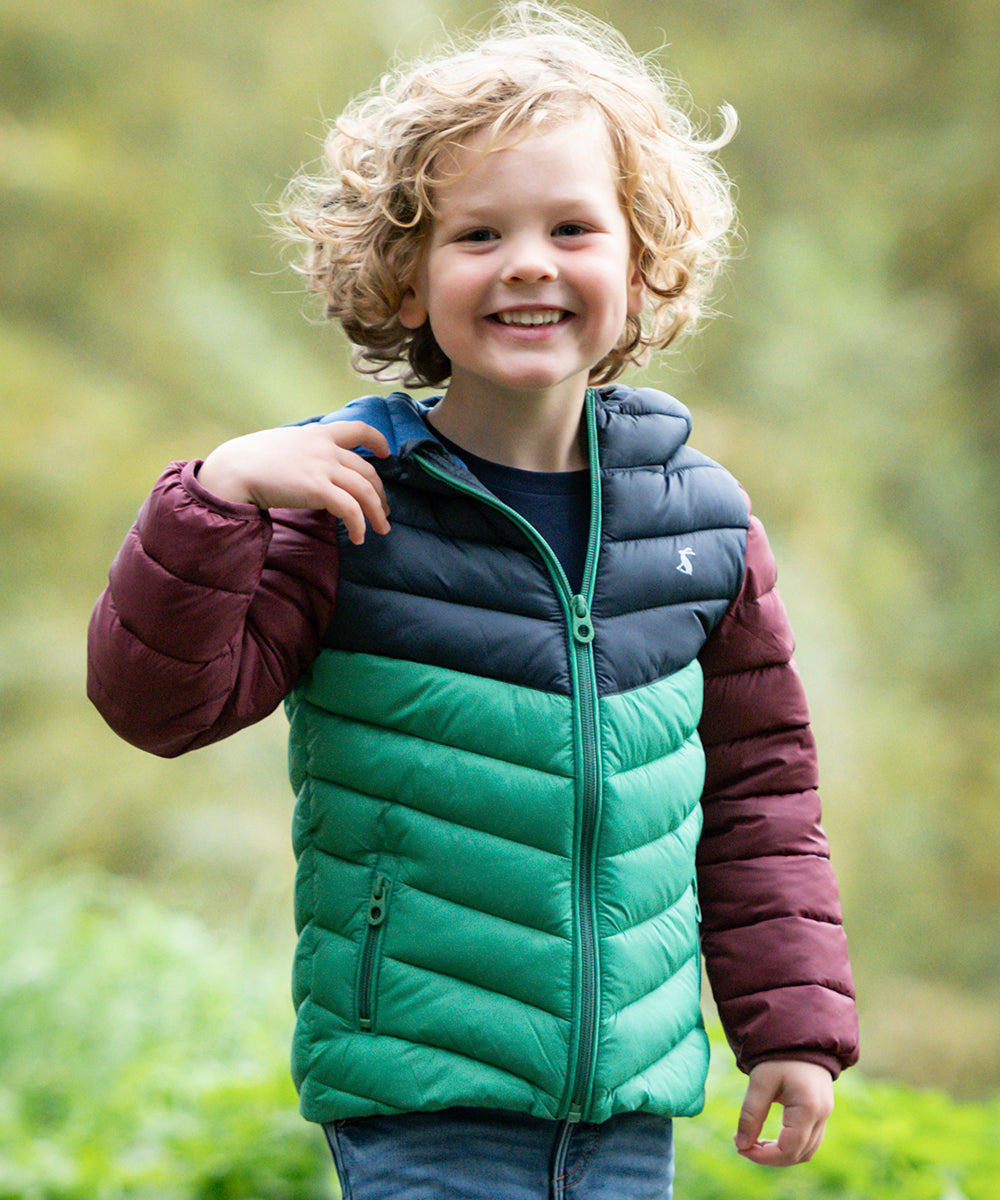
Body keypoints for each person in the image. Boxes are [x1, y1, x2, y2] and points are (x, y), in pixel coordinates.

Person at [87, 3, 859, 1196]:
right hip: (421, 1094)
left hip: (627, 1107)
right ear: (405, 282)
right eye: (477, 235)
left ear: (642, 263)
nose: (530, 263)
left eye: (572, 227)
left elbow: (763, 795)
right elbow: (160, 706)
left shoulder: (700, 521)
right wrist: (214, 497)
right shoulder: (340, 496)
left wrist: (794, 1028)